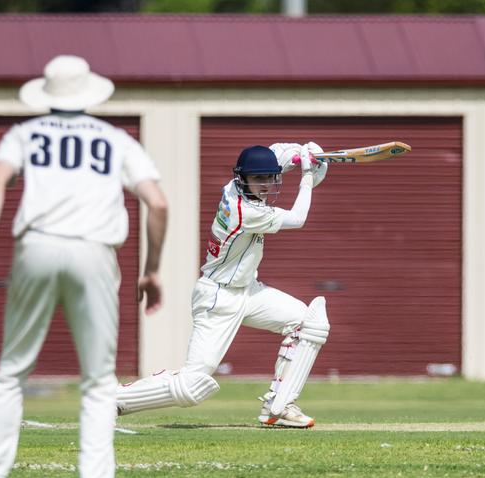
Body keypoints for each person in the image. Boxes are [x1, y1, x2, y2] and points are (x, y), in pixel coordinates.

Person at [0, 55, 167, 478]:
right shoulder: (117, 139)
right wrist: (150, 270)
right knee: (98, 382)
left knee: (11, 372)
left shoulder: (23, 133)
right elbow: (158, 203)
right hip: (94, 251)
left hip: (36, 246)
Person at [116, 142, 330, 428]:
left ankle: (279, 406)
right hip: (218, 298)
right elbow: (298, 218)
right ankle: (111, 400)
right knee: (193, 386)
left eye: (270, 178)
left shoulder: (236, 185)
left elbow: (275, 152)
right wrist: (306, 176)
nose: (266, 185)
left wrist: (300, 152)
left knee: (308, 322)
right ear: (244, 180)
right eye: (259, 179)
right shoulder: (244, 211)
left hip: (249, 291)